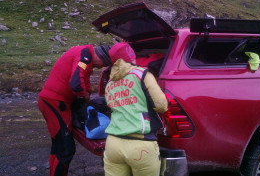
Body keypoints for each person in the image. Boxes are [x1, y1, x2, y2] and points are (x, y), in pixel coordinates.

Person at [38, 44, 111, 176]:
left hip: (52, 101)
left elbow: (83, 78)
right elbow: (76, 83)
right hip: (55, 103)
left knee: (58, 145)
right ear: (100, 55)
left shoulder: (84, 56)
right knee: (66, 149)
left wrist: (87, 93)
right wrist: (84, 94)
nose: (101, 67)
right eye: (103, 63)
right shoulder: (85, 56)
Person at [103, 42, 168, 176]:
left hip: (112, 144)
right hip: (141, 145)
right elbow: (162, 106)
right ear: (131, 56)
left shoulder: (109, 83)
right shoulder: (142, 74)